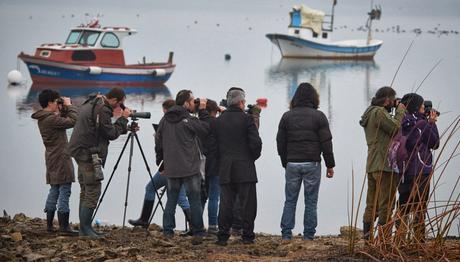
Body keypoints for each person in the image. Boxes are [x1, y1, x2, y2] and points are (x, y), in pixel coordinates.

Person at [68, 87, 132, 237]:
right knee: (93, 190)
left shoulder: (93, 102)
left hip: (79, 150)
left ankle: (85, 228)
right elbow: (110, 133)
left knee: (85, 189)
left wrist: (125, 127)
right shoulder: (103, 109)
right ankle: (85, 230)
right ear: (115, 100)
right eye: (119, 104)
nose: (119, 107)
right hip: (88, 153)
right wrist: (123, 118)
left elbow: (102, 129)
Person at [276, 82, 335, 241]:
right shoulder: (319, 116)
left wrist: (285, 161)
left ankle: (286, 234)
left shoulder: (287, 116)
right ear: (314, 98)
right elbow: (326, 143)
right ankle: (308, 236)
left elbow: (280, 142)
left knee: (290, 200)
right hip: (312, 163)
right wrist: (330, 164)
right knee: (311, 201)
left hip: (292, 163)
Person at [155, 90, 209, 245]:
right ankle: (198, 232)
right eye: (192, 101)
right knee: (194, 200)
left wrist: (161, 163)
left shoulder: (165, 120)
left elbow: (158, 142)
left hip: (171, 168)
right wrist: (203, 110)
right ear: (186, 103)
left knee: (171, 199)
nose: (194, 104)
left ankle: (168, 231)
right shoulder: (188, 119)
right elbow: (205, 130)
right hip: (190, 168)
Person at [128, 99, 191, 230]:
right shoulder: (184, 121)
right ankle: (194, 225)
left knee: (151, 188)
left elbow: (163, 148)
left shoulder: (167, 121)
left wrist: (158, 137)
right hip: (184, 166)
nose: (164, 115)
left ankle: (145, 220)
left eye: (164, 112)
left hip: (170, 166)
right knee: (180, 197)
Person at [214, 87, 262, 246]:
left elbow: (211, 146)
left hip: (226, 167)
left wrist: (221, 160)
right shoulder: (247, 119)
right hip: (245, 167)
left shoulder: (219, 120)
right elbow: (256, 144)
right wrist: (250, 158)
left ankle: (222, 236)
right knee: (248, 204)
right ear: (241, 102)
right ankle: (247, 236)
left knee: (226, 204)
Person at [360, 86, 406, 241]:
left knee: (371, 204)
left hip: (372, 164)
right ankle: (384, 242)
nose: (393, 104)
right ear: (387, 100)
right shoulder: (379, 112)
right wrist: (400, 111)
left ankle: (368, 240)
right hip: (384, 165)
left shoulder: (370, 113)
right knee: (386, 205)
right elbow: (395, 128)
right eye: (392, 101)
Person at [32, 90, 79, 235]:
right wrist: (69, 106)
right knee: (65, 190)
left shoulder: (44, 118)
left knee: (54, 189)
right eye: (56, 102)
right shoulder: (51, 119)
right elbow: (73, 121)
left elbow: (63, 121)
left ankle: (50, 225)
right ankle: (64, 227)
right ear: (50, 103)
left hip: (52, 157)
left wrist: (62, 109)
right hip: (61, 158)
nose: (57, 105)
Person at [397, 93, 439, 242]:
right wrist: (431, 123)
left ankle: (399, 238)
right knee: (420, 207)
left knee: (403, 206)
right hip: (422, 170)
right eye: (422, 106)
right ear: (416, 107)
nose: (424, 109)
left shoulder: (401, 121)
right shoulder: (421, 124)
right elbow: (435, 143)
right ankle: (418, 241)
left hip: (404, 171)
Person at [200, 100, 220, 234]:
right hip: (216, 163)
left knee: (201, 197)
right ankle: (213, 225)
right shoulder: (217, 123)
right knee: (214, 196)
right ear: (214, 111)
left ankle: (196, 224)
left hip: (200, 164)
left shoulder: (199, 123)